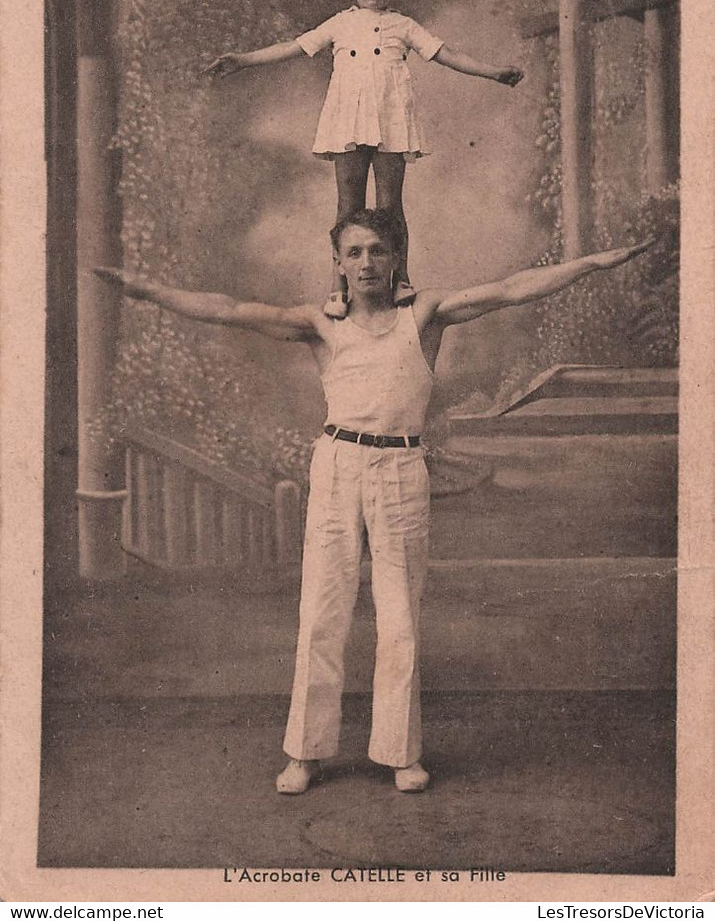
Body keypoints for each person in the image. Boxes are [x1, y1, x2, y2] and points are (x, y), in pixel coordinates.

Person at [95, 210, 651, 795]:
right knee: (321, 612)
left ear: (395, 258)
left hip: (402, 467)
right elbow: (229, 309)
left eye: (377, 251)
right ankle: (305, 754)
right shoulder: (320, 324)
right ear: (338, 261)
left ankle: (399, 753)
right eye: (354, 252)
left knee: (400, 617)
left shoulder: (426, 316)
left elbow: (511, 290)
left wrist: (593, 263)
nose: (366, 262)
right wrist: (147, 291)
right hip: (337, 466)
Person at [205, 0, 523, 316]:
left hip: (390, 121)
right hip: (348, 122)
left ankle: (401, 279)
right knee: (348, 206)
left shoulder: (403, 26)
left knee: (390, 206)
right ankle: (338, 288)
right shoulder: (340, 23)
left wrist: (494, 72)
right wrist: (242, 61)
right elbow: (292, 46)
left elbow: (447, 54)